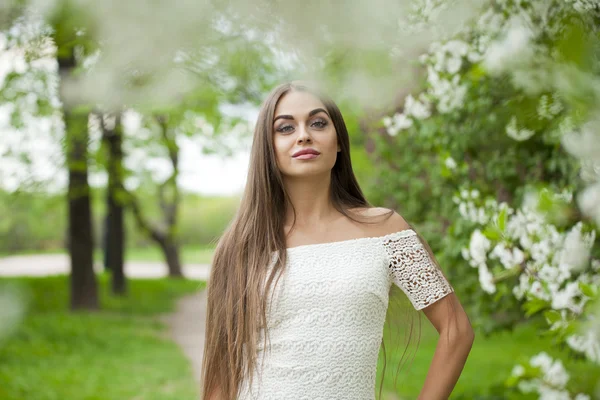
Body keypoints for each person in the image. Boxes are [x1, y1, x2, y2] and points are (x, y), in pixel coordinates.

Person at [201, 81, 474, 400]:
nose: (304, 134)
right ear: (268, 147)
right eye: (285, 128)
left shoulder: (387, 230)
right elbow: (221, 376)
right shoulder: (241, 247)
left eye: (318, 123)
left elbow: (456, 330)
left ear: (339, 141)